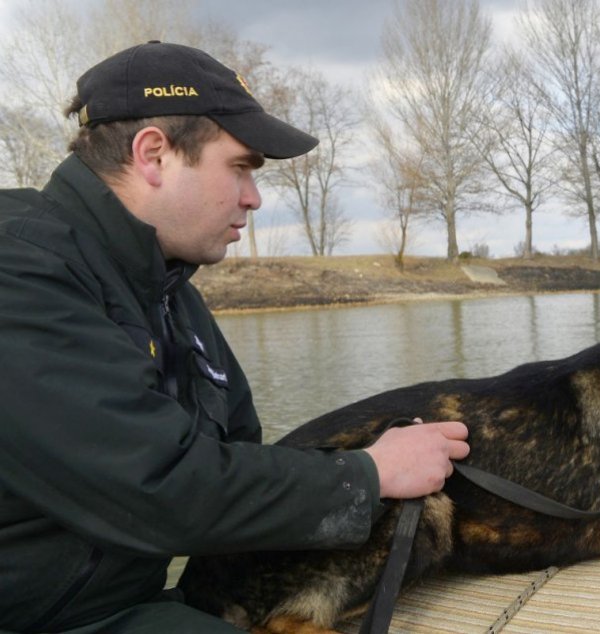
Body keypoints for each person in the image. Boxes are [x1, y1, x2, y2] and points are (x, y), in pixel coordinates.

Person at [0, 41, 469, 633]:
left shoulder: (169, 295)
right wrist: (369, 475)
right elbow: (158, 484)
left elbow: (241, 456)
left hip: (122, 609)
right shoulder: (20, 270)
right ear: (154, 155)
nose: (254, 197)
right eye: (240, 168)